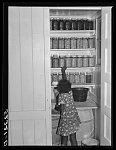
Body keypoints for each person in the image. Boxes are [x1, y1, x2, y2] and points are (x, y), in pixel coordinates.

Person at [53, 66, 81, 146]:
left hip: (66, 121)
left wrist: (56, 107)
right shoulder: (70, 93)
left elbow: (62, 108)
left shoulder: (61, 96)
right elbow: (65, 81)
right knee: (73, 138)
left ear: (59, 88)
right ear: (69, 87)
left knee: (64, 139)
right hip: (73, 118)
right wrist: (63, 71)